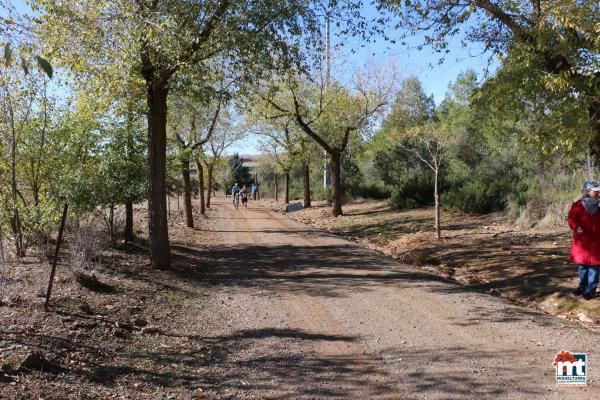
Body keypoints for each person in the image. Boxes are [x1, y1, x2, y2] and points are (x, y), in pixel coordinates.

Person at [568, 180, 600, 300]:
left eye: (598, 191)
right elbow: (571, 219)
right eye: (595, 191)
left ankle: (590, 290)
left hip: (597, 243)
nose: (598, 192)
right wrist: (576, 227)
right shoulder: (577, 205)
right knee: (583, 267)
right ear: (587, 191)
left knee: (594, 268)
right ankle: (583, 286)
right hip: (582, 242)